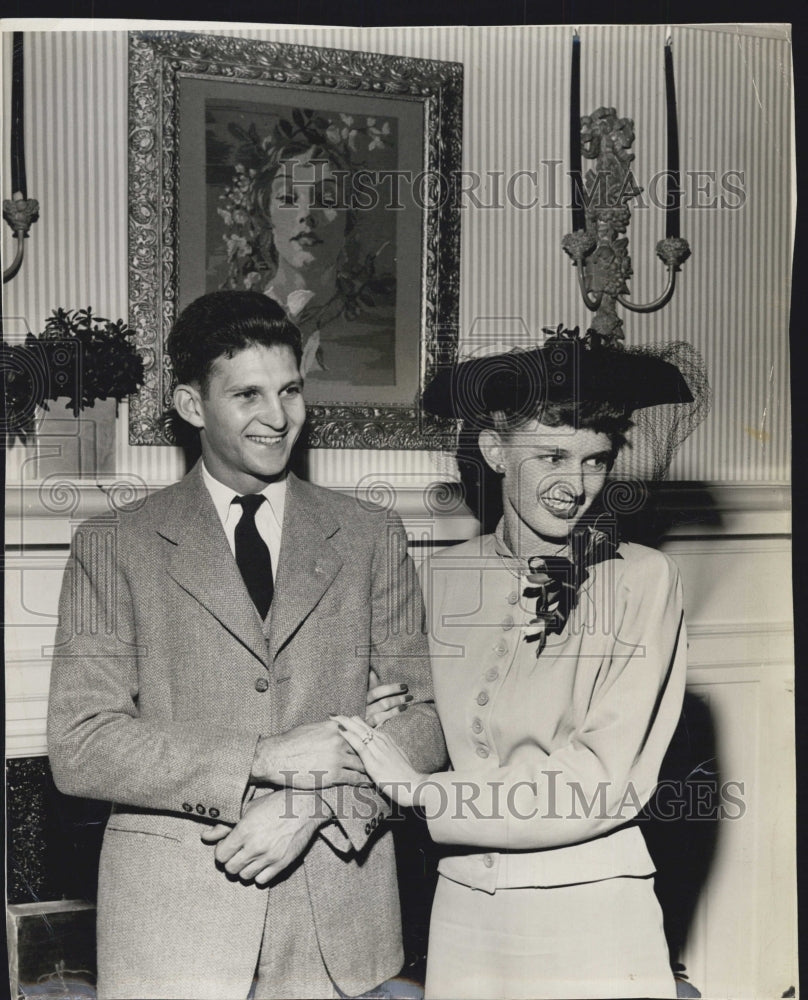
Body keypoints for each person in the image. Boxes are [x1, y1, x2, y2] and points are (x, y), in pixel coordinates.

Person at [47, 290, 445, 1000]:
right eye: (248, 394)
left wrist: (315, 806)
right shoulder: (113, 546)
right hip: (172, 929)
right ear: (192, 406)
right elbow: (83, 744)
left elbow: (428, 722)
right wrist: (263, 759)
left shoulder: (370, 535)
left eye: (290, 390)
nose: (277, 417)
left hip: (339, 922)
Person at [334, 328, 694, 999]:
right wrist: (387, 723)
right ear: (496, 451)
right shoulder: (440, 577)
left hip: (590, 907)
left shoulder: (643, 581)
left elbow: (600, 778)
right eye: (553, 455)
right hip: (465, 906)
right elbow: (430, 724)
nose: (576, 484)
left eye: (596, 460)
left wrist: (420, 793)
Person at [221, 112, 396, 383]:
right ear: (265, 212)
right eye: (288, 197)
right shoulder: (233, 326)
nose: (307, 213)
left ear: (349, 217)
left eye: (327, 199)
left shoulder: (377, 331)